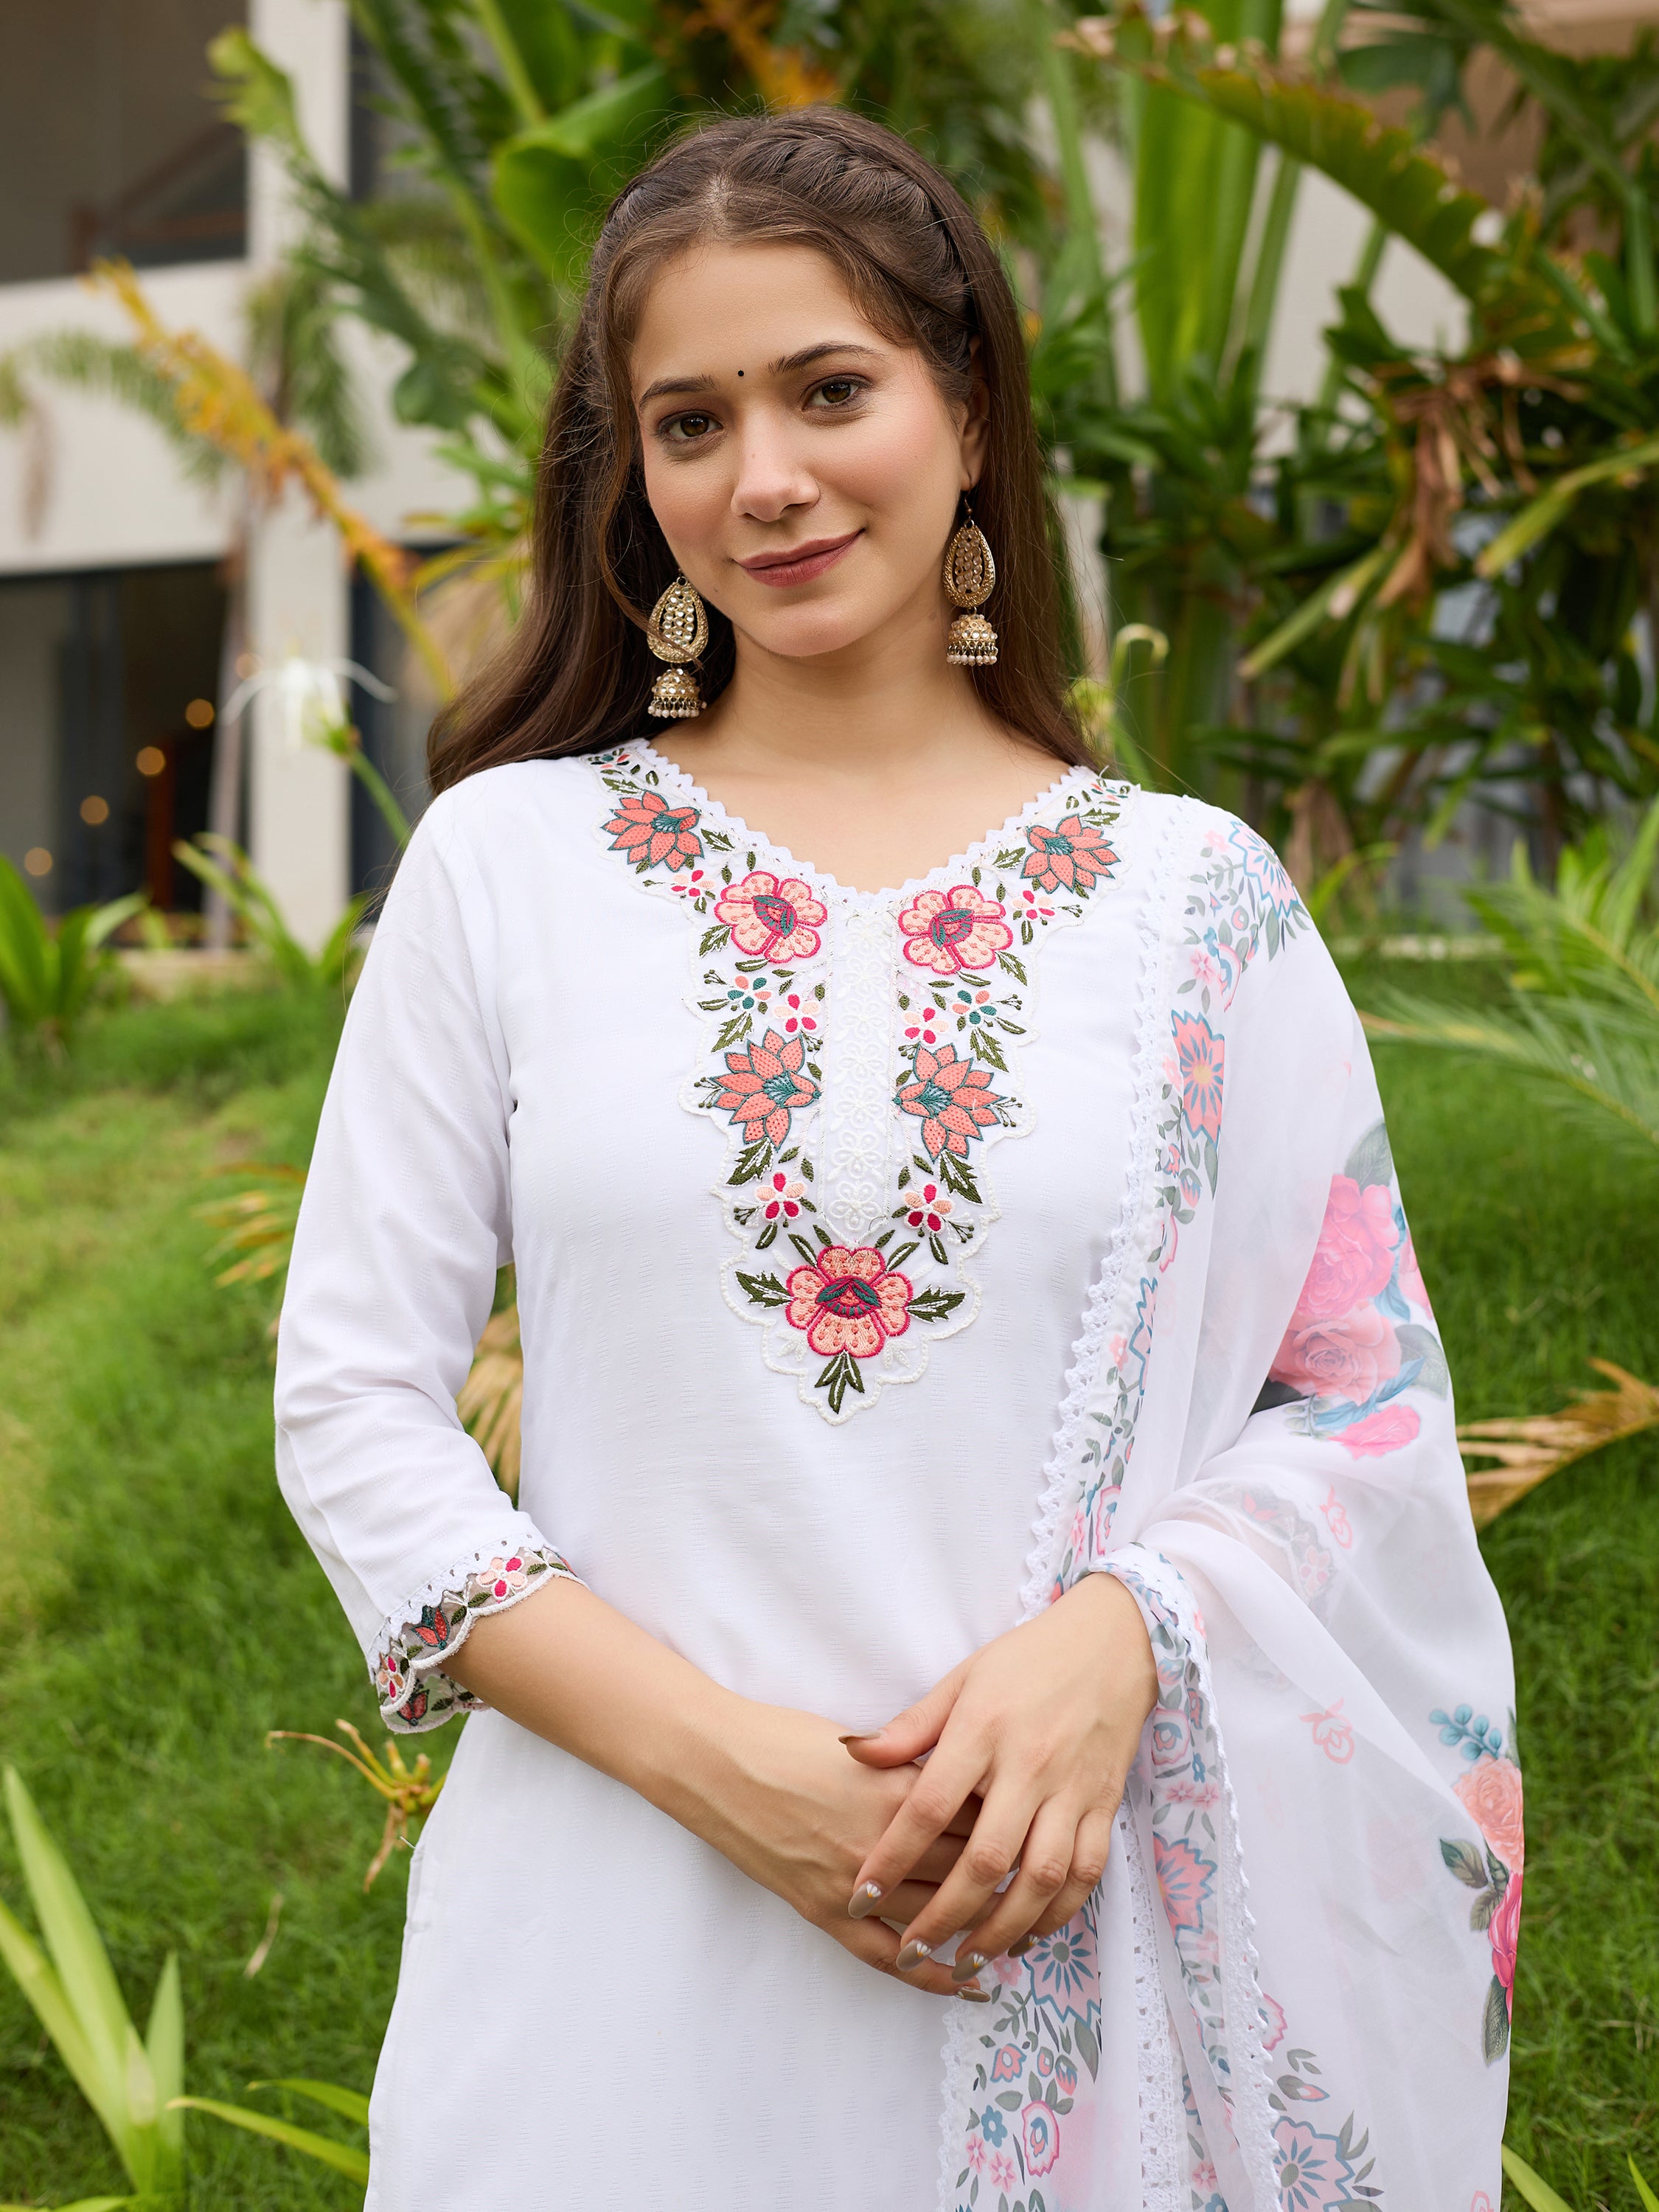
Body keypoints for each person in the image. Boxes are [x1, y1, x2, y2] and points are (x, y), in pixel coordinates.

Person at [274, 108, 1517, 2212]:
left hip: (1078, 1949)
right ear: (634, 474)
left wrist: (1121, 1637)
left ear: (961, 410)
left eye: (827, 390)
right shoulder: (509, 868)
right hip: (604, 1975)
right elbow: (354, 1413)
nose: (759, 478)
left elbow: (1356, 1401)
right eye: (687, 420)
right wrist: (727, 1772)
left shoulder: (1191, 905)